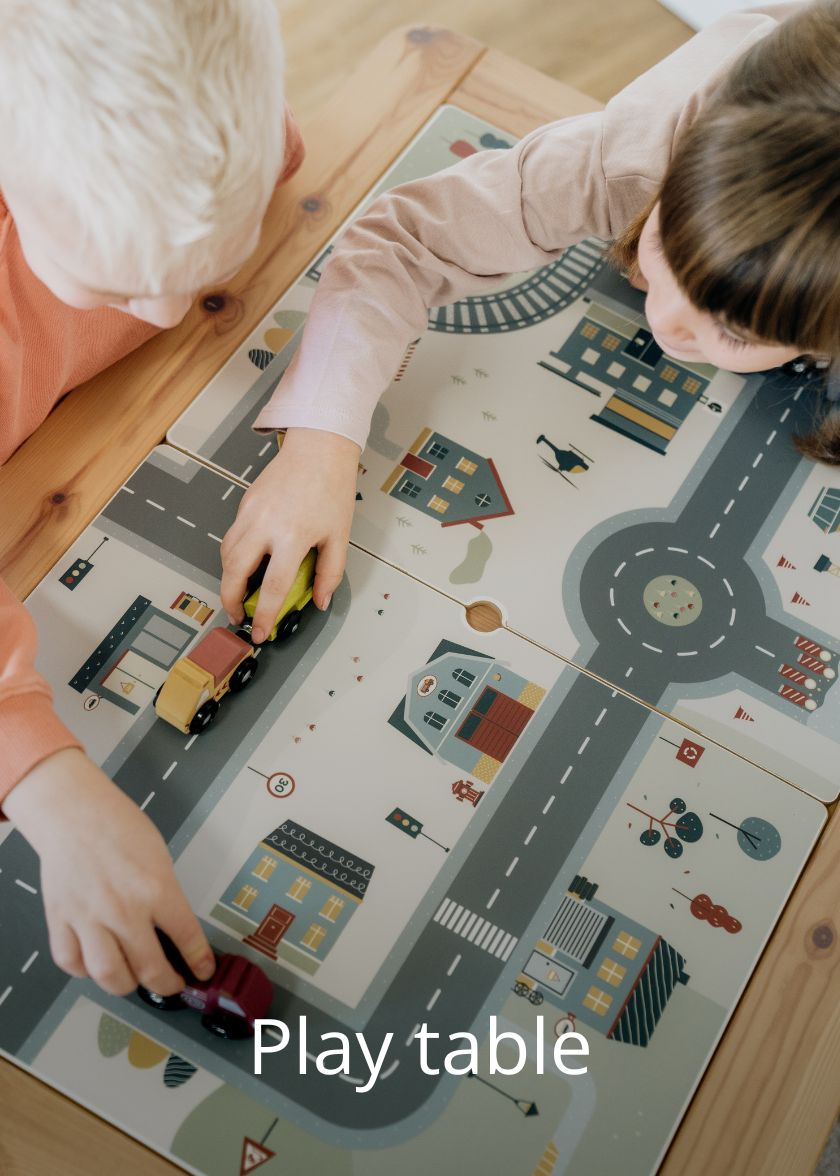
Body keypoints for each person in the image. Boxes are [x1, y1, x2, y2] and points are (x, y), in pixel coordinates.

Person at [221, 0, 840, 644]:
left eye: (736, 331)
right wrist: (321, 444)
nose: (669, 322)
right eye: (665, 245)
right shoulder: (629, 157)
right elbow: (400, 243)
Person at [0, 0, 303, 998]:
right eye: (117, 283)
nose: (171, 311)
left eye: (202, 268)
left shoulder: (219, 156)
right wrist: (48, 784)